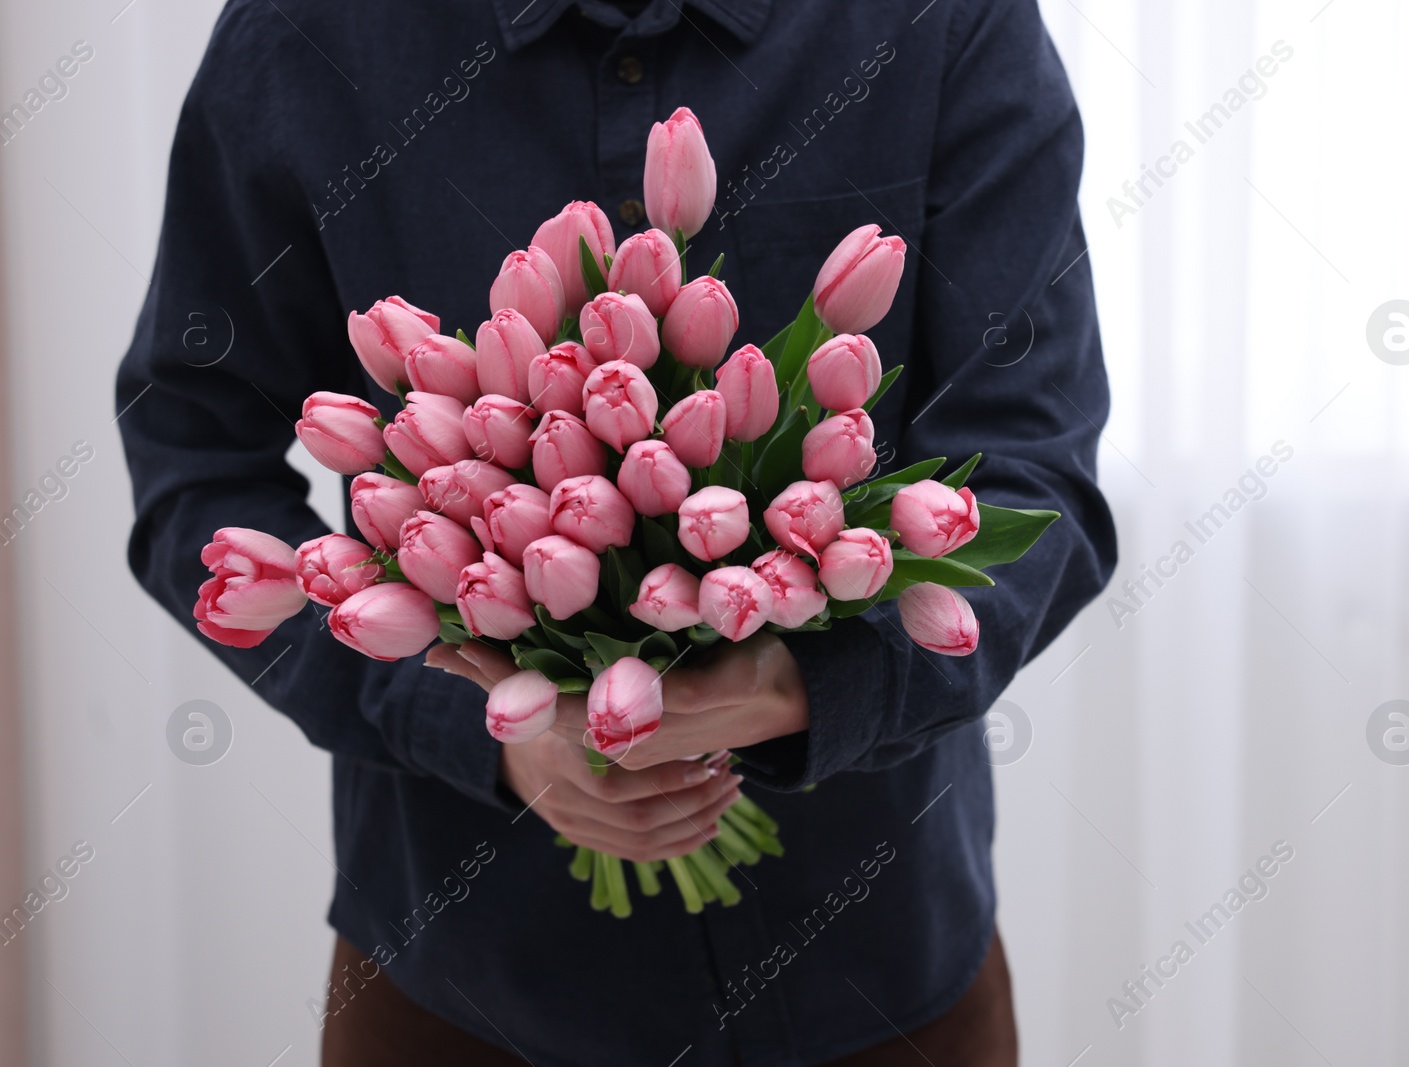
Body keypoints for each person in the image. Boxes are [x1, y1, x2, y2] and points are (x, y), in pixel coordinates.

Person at [115, 0, 1115, 1063]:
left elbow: (1034, 476)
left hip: (877, 985)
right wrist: (475, 725)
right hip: (458, 992)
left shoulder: (942, 21)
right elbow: (194, 461)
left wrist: (800, 686)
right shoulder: (306, 30)